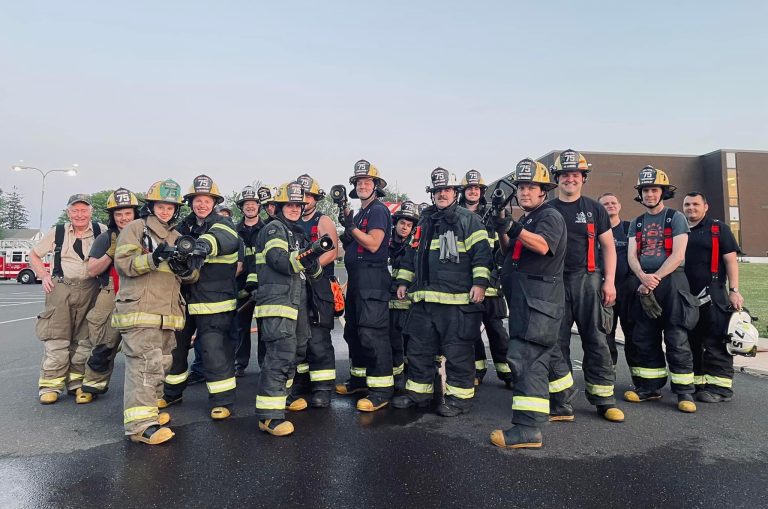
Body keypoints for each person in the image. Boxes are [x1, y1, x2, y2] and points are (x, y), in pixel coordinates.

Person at [392, 167, 492, 417]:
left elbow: (482, 254)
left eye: (446, 189)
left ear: (455, 192)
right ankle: (418, 394)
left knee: (458, 352)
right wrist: (404, 282)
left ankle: (459, 399)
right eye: (437, 191)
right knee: (419, 350)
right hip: (425, 300)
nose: (442, 194)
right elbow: (411, 255)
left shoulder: (469, 220)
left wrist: (480, 283)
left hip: (457, 302)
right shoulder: (424, 221)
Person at [489, 159, 570, 448]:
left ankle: (527, 429)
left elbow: (543, 245)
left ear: (543, 192)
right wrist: (502, 227)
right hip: (530, 298)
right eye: (522, 187)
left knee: (527, 358)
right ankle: (562, 403)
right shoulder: (529, 218)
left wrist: (511, 225)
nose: (524, 192)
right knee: (548, 352)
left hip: (537, 299)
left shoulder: (549, 216)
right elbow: (510, 249)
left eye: (531, 187)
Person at [112, 179, 197, 444]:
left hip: (167, 315)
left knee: (161, 364)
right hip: (141, 311)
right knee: (144, 366)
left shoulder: (176, 237)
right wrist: (153, 257)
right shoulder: (136, 228)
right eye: (161, 206)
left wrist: (188, 268)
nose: (165, 212)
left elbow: (190, 277)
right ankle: (140, 426)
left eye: (170, 208)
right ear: (152, 206)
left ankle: (151, 411)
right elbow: (124, 264)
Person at [549, 149, 624, 423]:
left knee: (597, 339)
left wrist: (610, 281)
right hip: (554, 282)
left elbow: (609, 247)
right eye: (565, 175)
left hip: (588, 279)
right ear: (557, 179)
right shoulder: (548, 210)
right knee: (557, 342)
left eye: (575, 174)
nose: (570, 179)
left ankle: (604, 400)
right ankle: (561, 401)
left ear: (583, 177)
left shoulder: (594, 209)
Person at [160, 175, 240, 420]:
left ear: (214, 202)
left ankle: (222, 401)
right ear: (191, 202)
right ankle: (172, 392)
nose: (201, 205)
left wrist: (202, 246)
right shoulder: (184, 226)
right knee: (176, 348)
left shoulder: (224, 224)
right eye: (197, 200)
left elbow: (222, 239)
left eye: (206, 200)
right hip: (185, 300)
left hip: (215, 302)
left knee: (214, 350)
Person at [252, 182, 323, 436]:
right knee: (280, 353)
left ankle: (283, 395)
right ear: (280, 207)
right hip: (278, 302)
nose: (294, 209)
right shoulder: (274, 229)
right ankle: (269, 416)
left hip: (298, 301)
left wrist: (313, 254)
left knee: (297, 349)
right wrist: (306, 255)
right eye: (290, 205)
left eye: (298, 205)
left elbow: (314, 271)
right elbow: (280, 261)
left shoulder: (297, 233)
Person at [626, 166, 698, 413]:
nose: (649, 194)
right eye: (645, 190)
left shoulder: (675, 218)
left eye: (654, 189)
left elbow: (678, 255)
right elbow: (632, 256)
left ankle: (684, 392)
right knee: (645, 337)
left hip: (672, 283)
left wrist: (654, 277)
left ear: (663, 192)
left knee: (677, 338)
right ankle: (650, 388)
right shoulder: (636, 223)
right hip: (645, 283)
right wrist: (642, 278)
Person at [29, 194, 105, 404]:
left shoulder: (101, 231)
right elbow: (33, 255)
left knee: (84, 340)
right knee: (57, 337)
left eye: (84, 210)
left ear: (91, 212)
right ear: (68, 212)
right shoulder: (58, 232)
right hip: (60, 287)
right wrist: (43, 275)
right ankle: (50, 385)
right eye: (75, 210)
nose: (79, 214)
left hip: (91, 288)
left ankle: (76, 383)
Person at [335, 159, 395, 412]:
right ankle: (359, 380)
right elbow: (352, 245)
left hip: (373, 278)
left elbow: (372, 243)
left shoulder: (378, 210)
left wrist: (351, 228)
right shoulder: (361, 213)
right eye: (359, 182)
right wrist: (347, 229)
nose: (362, 185)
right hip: (357, 279)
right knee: (354, 332)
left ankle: (381, 390)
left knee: (373, 333)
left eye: (367, 182)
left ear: (376, 186)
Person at [77, 188, 141, 403]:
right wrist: (109, 253)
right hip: (111, 294)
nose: (123, 219)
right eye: (118, 214)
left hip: (141, 295)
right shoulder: (106, 238)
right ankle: (92, 385)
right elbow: (92, 270)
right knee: (104, 343)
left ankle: (147, 393)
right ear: (112, 217)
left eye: (128, 214)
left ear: (135, 214)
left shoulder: (146, 235)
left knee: (144, 347)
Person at [682, 191, 743, 402]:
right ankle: (698, 384)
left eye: (696, 204)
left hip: (714, 293)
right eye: (687, 205)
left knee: (715, 340)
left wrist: (734, 291)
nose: (691, 208)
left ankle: (720, 388)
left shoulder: (719, 229)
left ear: (705, 206)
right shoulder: (681, 230)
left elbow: (731, 261)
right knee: (692, 341)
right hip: (687, 296)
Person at [288, 174, 340, 409]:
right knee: (300, 337)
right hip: (297, 286)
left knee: (318, 337)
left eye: (308, 196)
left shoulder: (322, 220)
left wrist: (314, 268)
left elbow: (333, 250)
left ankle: (323, 387)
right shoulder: (290, 222)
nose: (304, 200)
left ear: (315, 199)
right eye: (301, 196)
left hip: (319, 285)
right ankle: (302, 382)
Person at [459, 170, 512, 387]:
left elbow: (505, 246)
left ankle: (507, 372)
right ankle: (477, 371)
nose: (473, 191)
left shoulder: (494, 212)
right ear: (463, 191)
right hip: (465, 282)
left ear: (482, 192)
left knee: (497, 331)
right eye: (469, 187)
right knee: (470, 332)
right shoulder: (457, 214)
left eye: (477, 188)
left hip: (490, 282)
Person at [230, 185, 266, 377]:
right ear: (241, 207)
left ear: (258, 206)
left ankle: (264, 364)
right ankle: (239, 363)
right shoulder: (234, 231)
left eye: (253, 204)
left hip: (263, 286)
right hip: (241, 287)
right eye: (246, 204)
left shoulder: (268, 229)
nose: (250, 207)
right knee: (241, 327)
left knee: (264, 327)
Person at [598, 192, 634, 366]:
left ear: (619, 206)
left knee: (632, 334)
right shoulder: (595, 231)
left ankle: (639, 379)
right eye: (605, 204)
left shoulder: (629, 228)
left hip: (627, 289)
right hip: (603, 289)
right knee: (606, 334)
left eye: (613, 202)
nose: (610, 205)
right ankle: (608, 372)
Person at [388, 200, 420, 390]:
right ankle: (396, 377)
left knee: (408, 340)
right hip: (388, 300)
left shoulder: (415, 246)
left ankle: (406, 375)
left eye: (409, 225)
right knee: (393, 340)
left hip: (407, 301)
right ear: (396, 223)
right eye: (402, 223)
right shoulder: (386, 242)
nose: (405, 227)